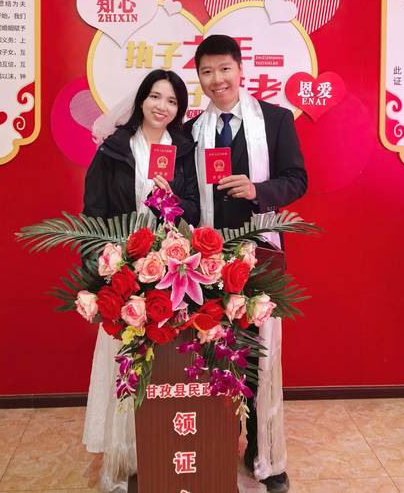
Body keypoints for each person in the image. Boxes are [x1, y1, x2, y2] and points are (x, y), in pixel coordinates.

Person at [184, 35, 307, 493]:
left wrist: (259, 190)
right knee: (212, 351)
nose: (217, 80)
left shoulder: (275, 120)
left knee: (259, 356)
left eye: (224, 69)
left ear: (240, 69)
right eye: (207, 72)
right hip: (206, 256)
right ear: (199, 77)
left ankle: (262, 452)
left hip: (260, 255)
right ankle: (215, 443)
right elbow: (187, 193)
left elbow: (297, 179)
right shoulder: (191, 131)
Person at [82, 69, 200, 491]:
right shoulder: (114, 149)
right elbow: (93, 212)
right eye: (155, 96)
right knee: (124, 362)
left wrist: (171, 201)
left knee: (163, 364)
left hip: (169, 272)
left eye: (171, 101)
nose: (161, 107)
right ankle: (124, 452)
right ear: (141, 100)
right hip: (124, 271)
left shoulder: (184, 151)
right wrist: (102, 265)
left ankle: (158, 447)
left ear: (179, 110)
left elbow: (195, 211)